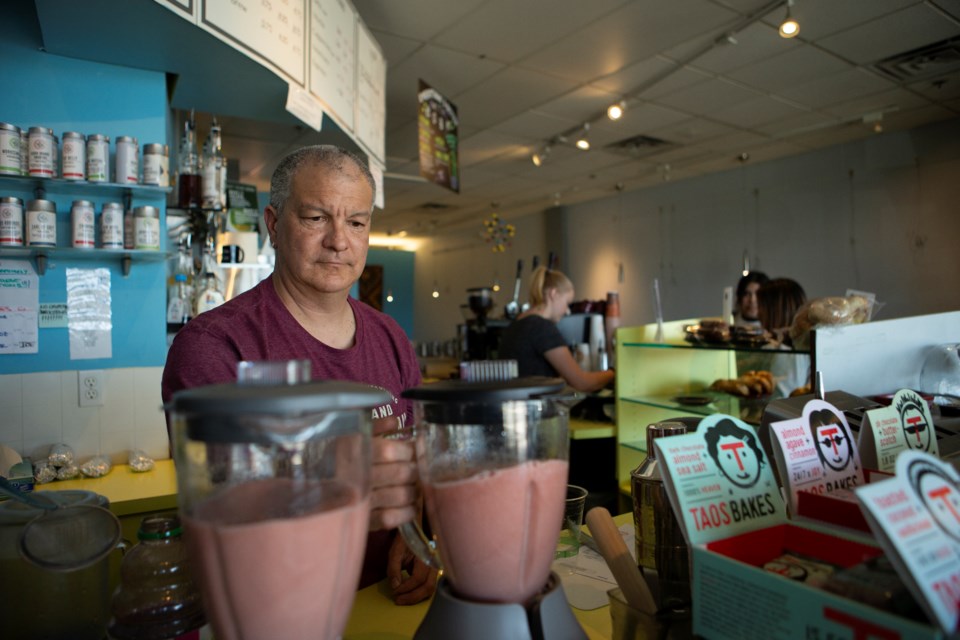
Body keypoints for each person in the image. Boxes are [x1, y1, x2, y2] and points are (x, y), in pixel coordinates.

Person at [161, 145, 436, 605]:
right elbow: (218, 509)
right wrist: (337, 486)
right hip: (273, 608)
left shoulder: (392, 337)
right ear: (272, 224)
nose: (338, 241)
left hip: (382, 600)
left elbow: (416, 465)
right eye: (314, 218)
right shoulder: (214, 346)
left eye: (356, 222)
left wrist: (416, 534)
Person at [499, 265, 614, 392]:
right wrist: (613, 373)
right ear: (553, 294)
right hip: (535, 408)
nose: (567, 311)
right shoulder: (541, 327)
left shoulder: (517, 323)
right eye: (567, 303)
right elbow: (582, 383)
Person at [756, 277, 811, 398]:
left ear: (775, 310)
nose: (758, 313)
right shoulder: (798, 344)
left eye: (761, 307)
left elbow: (779, 399)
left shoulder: (785, 351)